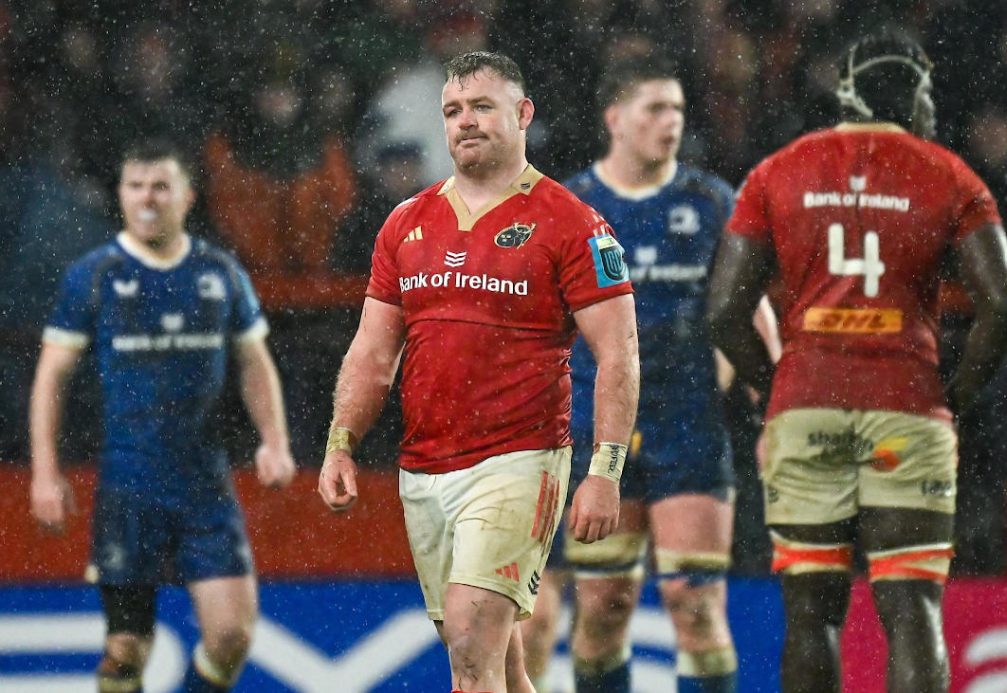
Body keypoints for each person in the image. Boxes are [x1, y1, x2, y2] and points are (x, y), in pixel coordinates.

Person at [706, 30, 1007, 693]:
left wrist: (774, 386)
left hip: (807, 403)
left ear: (845, 93)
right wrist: (953, 393)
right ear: (917, 96)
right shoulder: (950, 173)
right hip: (907, 404)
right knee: (911, 605)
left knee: (812, 611)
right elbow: (1005, 307)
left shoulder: (779, 169)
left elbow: (724, 312)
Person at [317, 51, 640, 693]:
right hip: (425, 465)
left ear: (523, 114)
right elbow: (372, 354)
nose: (465, 121)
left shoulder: (574, 224)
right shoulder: (404, 225)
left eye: (482, 107)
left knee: (470, 646)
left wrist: (604, 473)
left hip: (519, 459)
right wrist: (339, 443)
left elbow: (619, 355)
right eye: (453, 111)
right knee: (496, 663)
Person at [522, 54, 779, 693]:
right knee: (604, 610)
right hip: (592, 427)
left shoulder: (711, 202)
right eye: (656, 109)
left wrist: (774, 405)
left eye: (679, 110)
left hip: (688, 423)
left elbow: (751, 308)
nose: (671, 122)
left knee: (696, 606)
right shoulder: (569, 207)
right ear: (615, 117)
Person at [29, 139, 296, 693]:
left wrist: (274, 440)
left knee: (231, 638)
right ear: (121, 194)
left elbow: (254, 361)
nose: (146, 199)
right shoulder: (94, 275)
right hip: (129, 486)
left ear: (187, 196)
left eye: (159, 186)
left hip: (204, 484)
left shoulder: (218, 272)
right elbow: (51, 377)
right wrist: (45, 471)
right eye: (135, 186)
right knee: (125, 651)